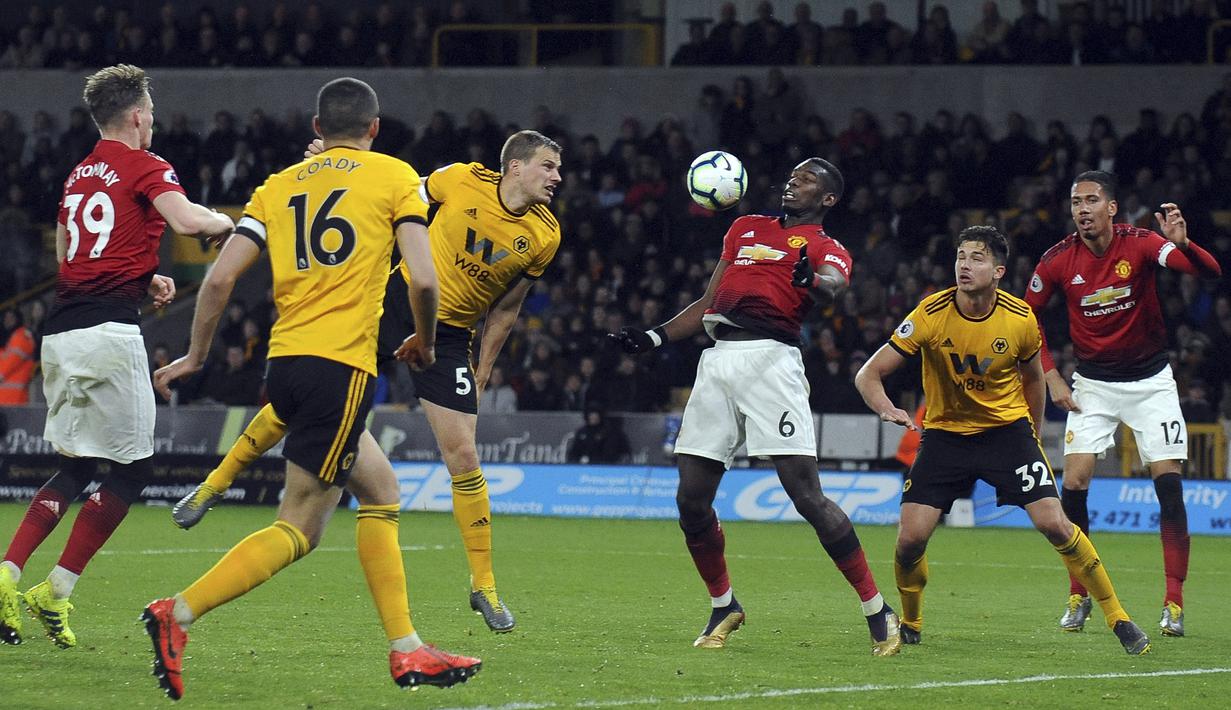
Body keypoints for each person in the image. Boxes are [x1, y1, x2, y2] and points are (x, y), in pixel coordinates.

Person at [144, 77, 479, 699]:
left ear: (316, 128)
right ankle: (178, 613)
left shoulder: (277, 186)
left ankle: (407, 649)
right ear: (374, 128)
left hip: (286, 364)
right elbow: (425, 282)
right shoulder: (395, 177)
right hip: (341, 366)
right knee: (300, 526)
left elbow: (217, 283)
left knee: (381, 490)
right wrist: (428, 343)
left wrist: (194, 355)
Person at [170, 129, 563, 634]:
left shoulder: (546, 235)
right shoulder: (461, 179)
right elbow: (392, 194)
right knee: (317, 400)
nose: (556, 176)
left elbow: (508, 307)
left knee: (464, 454)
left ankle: (483, 586)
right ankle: (213, 486)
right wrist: (333, 169)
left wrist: (484, 368)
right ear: (515, 166)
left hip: (451, 338)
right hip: (396, 303)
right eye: (548, 166)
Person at [609, 158, 902, 657]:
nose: (793, 182)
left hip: (772, 364)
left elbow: (833, 285)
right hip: (718, 361)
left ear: (828, 199)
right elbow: (708, 301)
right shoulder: (745, 228)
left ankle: (878, 610)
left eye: (807, 179)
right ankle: (724, 605)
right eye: (792, 175)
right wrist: (655, 336)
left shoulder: (825, 247)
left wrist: (814, 281)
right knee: (691, 499)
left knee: (806, 496)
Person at [0, 64, 232, 648]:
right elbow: (187, 222)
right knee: (134, 472)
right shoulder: (146, 165)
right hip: (107, 334)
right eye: (149, 111)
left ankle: (8, 576)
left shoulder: (79, 174)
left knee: (77, 463)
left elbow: (67, 253)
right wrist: (230, 222)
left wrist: (139, 275)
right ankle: (55, 591)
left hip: (62, 331)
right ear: (135, 114)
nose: (152, 119)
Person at [855, 225, 1151, 656]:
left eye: (976, 258)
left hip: (1005, 434)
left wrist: (1030, 433)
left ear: (998, 271)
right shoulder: (930, 313)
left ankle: (1118, 616)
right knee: (909, 540)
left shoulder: (1019, 318)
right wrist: (886, 408)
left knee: (1055, 522)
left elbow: (1033, 380)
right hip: (945, 436)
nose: (964, 265)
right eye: (960, 256)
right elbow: (869, 374)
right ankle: (912, 619)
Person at [1024, 170, 1222, 637]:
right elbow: (1024, 318)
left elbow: (1209, 273)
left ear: (1112, 207)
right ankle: (1079, 593)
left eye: (1091, 200)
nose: (1082, 209)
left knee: (1168, 484)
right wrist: (1050, 376)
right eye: (1076, 202)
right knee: (1073, 483)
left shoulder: (1143, 243)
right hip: (1092, 384)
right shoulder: (1056, 260)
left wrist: (1185, 243)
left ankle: (1173, 602)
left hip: (1152, 382)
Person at [0, 308, 36, 405]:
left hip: (15, 398)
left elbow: (11, 362)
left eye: (11, 317)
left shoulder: (22, 336)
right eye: (6, 317)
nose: (8, 320)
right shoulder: (9, 340)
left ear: (18, 319)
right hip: (6, 398)